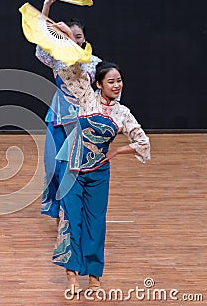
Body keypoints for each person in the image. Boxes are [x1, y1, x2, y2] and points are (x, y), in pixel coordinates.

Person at [52, 59, 151, 294]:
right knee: (71, 220)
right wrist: (67, 40)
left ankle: (95, 275)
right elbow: (68, 71)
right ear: (98, 84)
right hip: (73, 169)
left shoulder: (122, 113)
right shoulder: (87, 97)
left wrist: (116, 151)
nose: (117, 86)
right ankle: (71, 274)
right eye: (111, 81)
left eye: (119, 81)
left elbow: (143, 142)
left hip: (99, 173)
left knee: (96, 223)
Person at [35, 0, 102, 219]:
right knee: (53, 165)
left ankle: (72, 207)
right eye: (68, 36)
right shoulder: (56, 60)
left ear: (84, 39)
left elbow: (103, 87)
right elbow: (42, 38)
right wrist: (46, 8)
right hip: (58, 116)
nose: (73, 40)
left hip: (82, 119)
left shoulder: (93, 62)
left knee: (74, 165)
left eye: (78, 37)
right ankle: (57, 205)